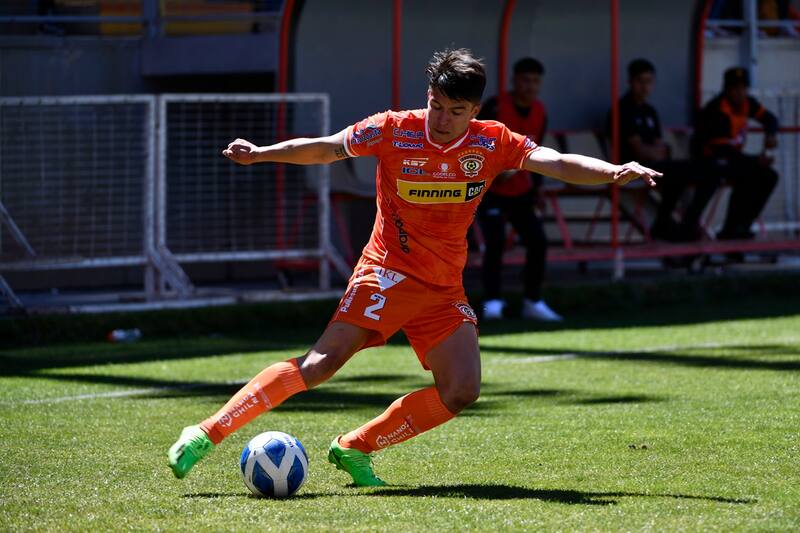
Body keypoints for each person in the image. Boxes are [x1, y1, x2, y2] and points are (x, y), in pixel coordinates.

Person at [167, 48, 661, 487]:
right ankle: (206, 432)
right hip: (385, 270)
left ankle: (354, 446)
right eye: (437, 106)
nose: (443, 120)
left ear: (476, 111)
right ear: (428, 96)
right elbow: (326, 147)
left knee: (462, 390)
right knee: (321, 364)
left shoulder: (493, 142)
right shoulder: (392, 128)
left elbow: (554, 161)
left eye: (457, 112)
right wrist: (262, 154)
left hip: (442, 286)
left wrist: (613, 171)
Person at [477, 57, 561, 322]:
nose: (530, 86)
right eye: (525, 79)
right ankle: (492, 303)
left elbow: (538, 152)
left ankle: (533, 300)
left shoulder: (540, 111)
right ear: (514, 80)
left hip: (520, 190)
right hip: (489, 189)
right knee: (495, 242)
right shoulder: (495, 106)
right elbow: (476, 144)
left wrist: (538, 188)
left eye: (535, 81)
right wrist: (495, 171)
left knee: (538, 240)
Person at [614, 59, 711, 242]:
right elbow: (640, 151)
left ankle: (688, 224)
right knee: (677, 175)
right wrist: (656, 150)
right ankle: (665, 225)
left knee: (703, 171)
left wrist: (657, 150)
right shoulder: (623, 109)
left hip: (654, 164)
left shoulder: (650, 111)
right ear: (631, 82)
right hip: (631, 167)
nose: (645, 87)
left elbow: (660, 147)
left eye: (649, 82)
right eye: (640, 82)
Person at [694, 67, 779, 241]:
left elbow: (770, 118)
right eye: (735, 88)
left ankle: (742, 225)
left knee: (769, 176)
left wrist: (770, 134)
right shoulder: (717, 110)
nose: (740, 93)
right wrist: (756, 160)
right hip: (711, 161)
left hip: (733, 160)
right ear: (726, 89)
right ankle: (730, 229)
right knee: (746, 175)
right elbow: (722, 151)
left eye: (743, 88)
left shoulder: (747, 104)